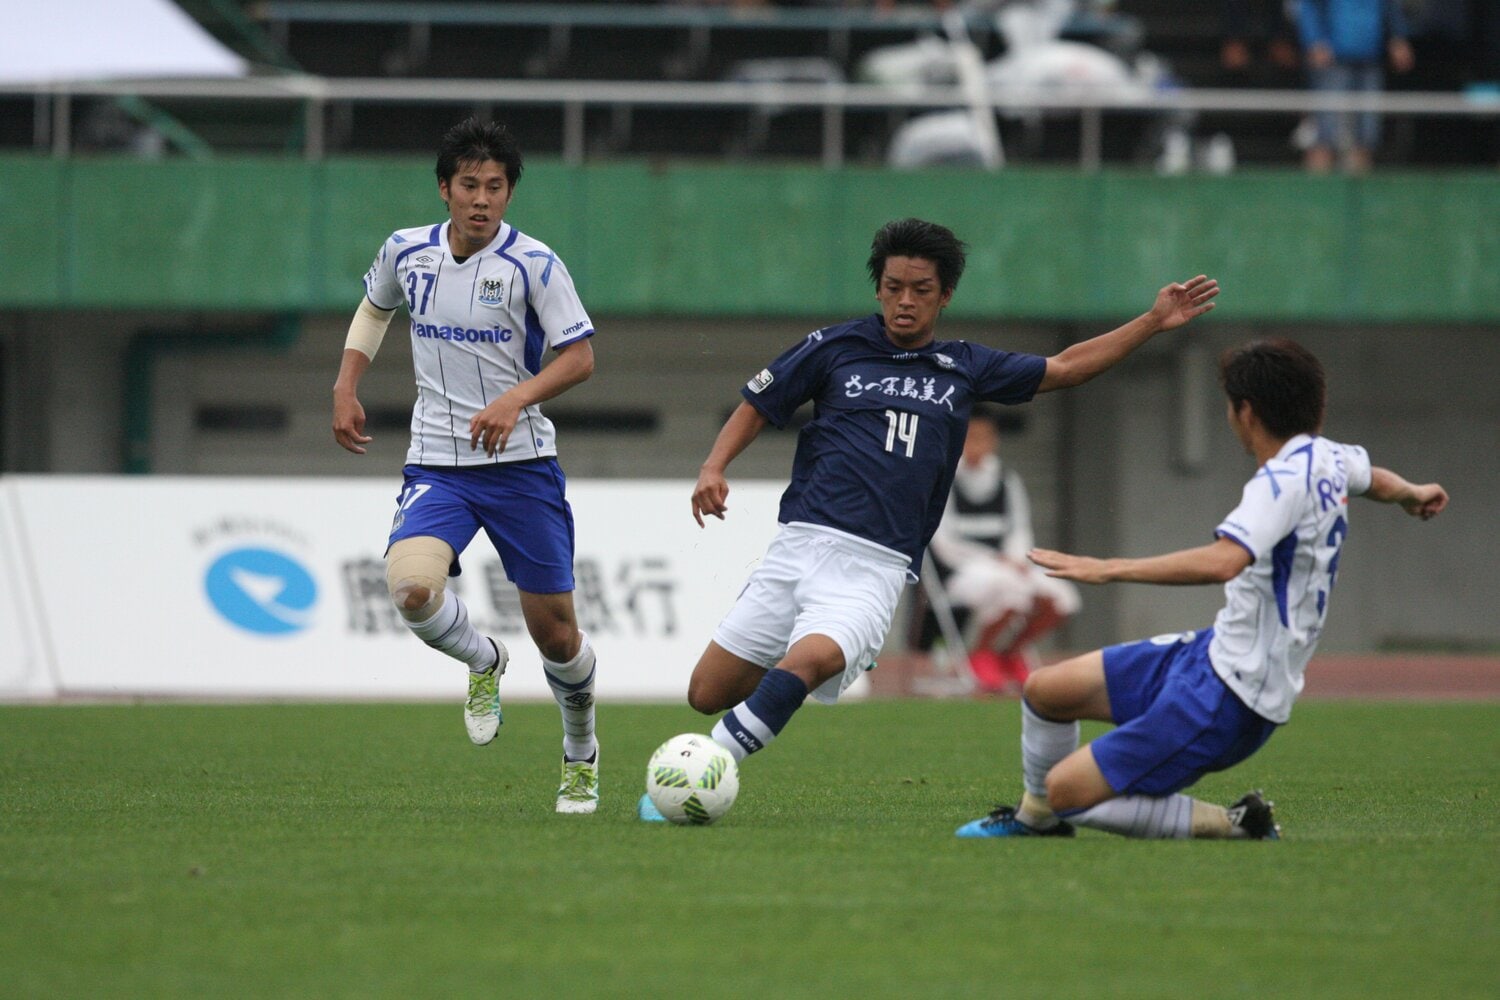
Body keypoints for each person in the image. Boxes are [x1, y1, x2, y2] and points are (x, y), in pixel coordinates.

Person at [639, 217, 1219, 819]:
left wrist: (1152, 322)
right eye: (893, 287)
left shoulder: (964, 365)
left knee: (811, 660)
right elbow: (757, 403)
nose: (904, 301)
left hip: (874, 567)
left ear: (944, 295)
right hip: (797, 548)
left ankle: (700, 774)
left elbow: (1066, 367)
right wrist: (713, 467)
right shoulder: (834, 347)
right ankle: (755, 716)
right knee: (706, 692)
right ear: (878, 289)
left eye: (920, 289)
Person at [957, 337, 1448, 840]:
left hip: (1233, 696)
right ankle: (1037, 822)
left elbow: (1222, 563)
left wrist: (1106, 569)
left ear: (1245, 412)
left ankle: (1235, 823)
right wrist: (1413, 493)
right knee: (1046, 691)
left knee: (1066, 792)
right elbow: (1373, 478)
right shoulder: (1328, 457)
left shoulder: (1278, 483)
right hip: (1211, 655)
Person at [331, 118, 602, 814]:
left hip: (522, 466)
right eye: (470, 185)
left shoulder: (534, 265)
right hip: (438, 464)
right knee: (412, 592)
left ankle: (580, 754)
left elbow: (579, 358)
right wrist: (344, 385)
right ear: (445, 188)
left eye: (496, 187)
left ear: (510, 193)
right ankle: (483, 660)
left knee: (558, 636)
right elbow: (373, 310)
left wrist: (517, 397)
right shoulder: (407, 251)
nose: (482, 200)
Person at [922, 406, 1081, 694]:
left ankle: (1009, 652)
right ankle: (980, 654)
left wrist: (1017, 559)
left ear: (994, 439)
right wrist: (995, 560)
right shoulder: (942, 479)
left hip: (1008, 566)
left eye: (984, 437)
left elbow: (1019, 529)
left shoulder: (1007, 480)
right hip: (961, 573)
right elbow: (943, 543)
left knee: (1061, 595)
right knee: (1009, 588)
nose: (976, 445)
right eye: (969, 437)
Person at [1296, 0, 1415, 173]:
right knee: (1324, 135)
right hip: (1332, 60)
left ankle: (1360, 194)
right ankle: (1315, 195)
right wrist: (1314, 40)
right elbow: (1309, 7)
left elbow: (1389, 7)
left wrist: (1398, 38)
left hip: (1370, 59)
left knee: (1366, 137)